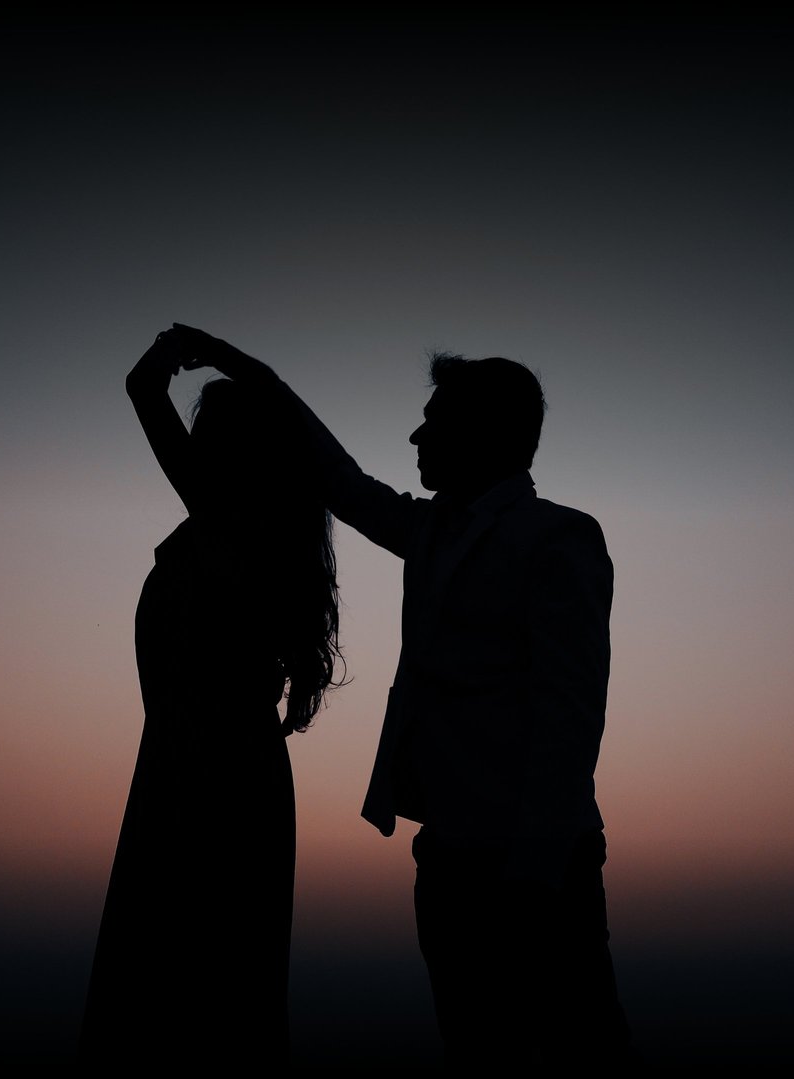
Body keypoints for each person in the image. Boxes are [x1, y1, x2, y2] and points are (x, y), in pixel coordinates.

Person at [169, 323, 631, 1068]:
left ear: (482, 432)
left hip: (534, 869)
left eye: (436, 419)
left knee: (583, 1055)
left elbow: (570, 716)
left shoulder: (558, 539)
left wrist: (533, 878)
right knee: (479, 1055)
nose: (417, 433)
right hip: (448, 859)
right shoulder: (429, 530)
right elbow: (337, 475)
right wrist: (239, 365)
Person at [78, 329, 342, 1067]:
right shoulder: (242, 533)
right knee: (203, 994)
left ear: (246, 453)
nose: (197, 444)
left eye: (214, 433)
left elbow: (141, 389)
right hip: (200, 770)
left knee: (189, 999)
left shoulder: (236, 529)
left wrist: (191, 350)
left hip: (208, 779)